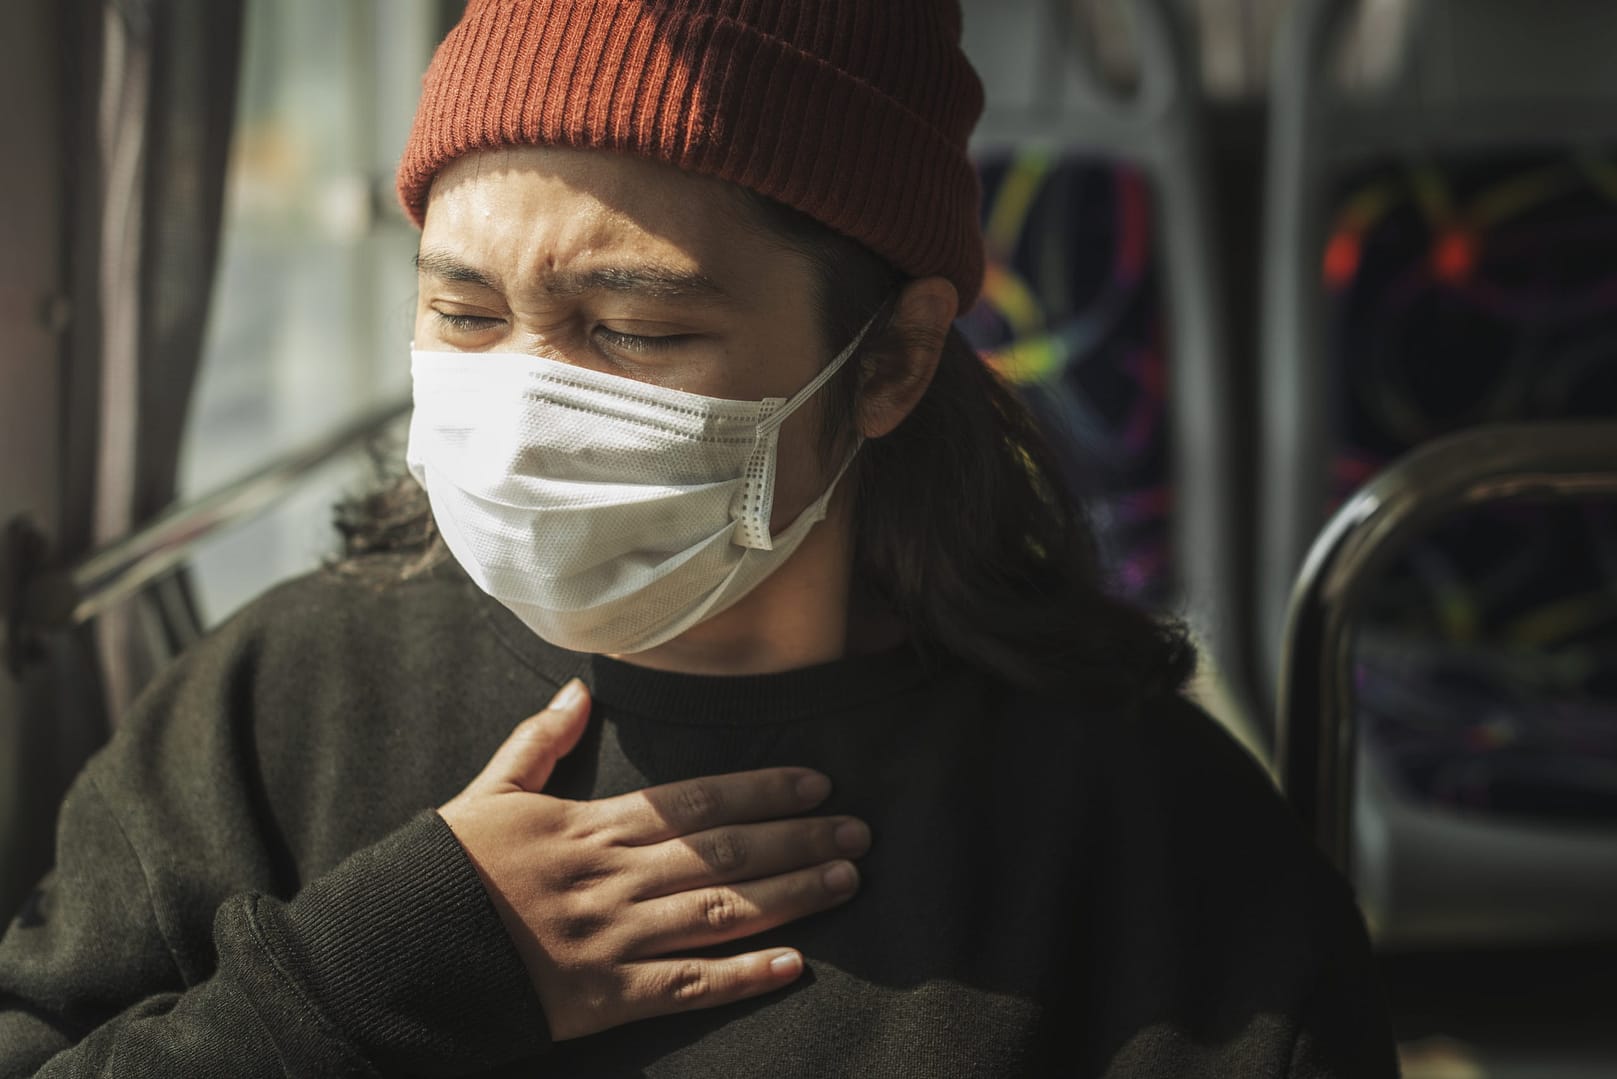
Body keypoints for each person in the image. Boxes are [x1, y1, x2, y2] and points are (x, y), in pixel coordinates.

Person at [0, 1, 1399, 1075]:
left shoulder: (1139, 842)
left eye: (633, 333)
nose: (524, 401)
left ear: (890, 362)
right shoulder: (272, 705)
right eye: (465, 315)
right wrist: (379, 977)